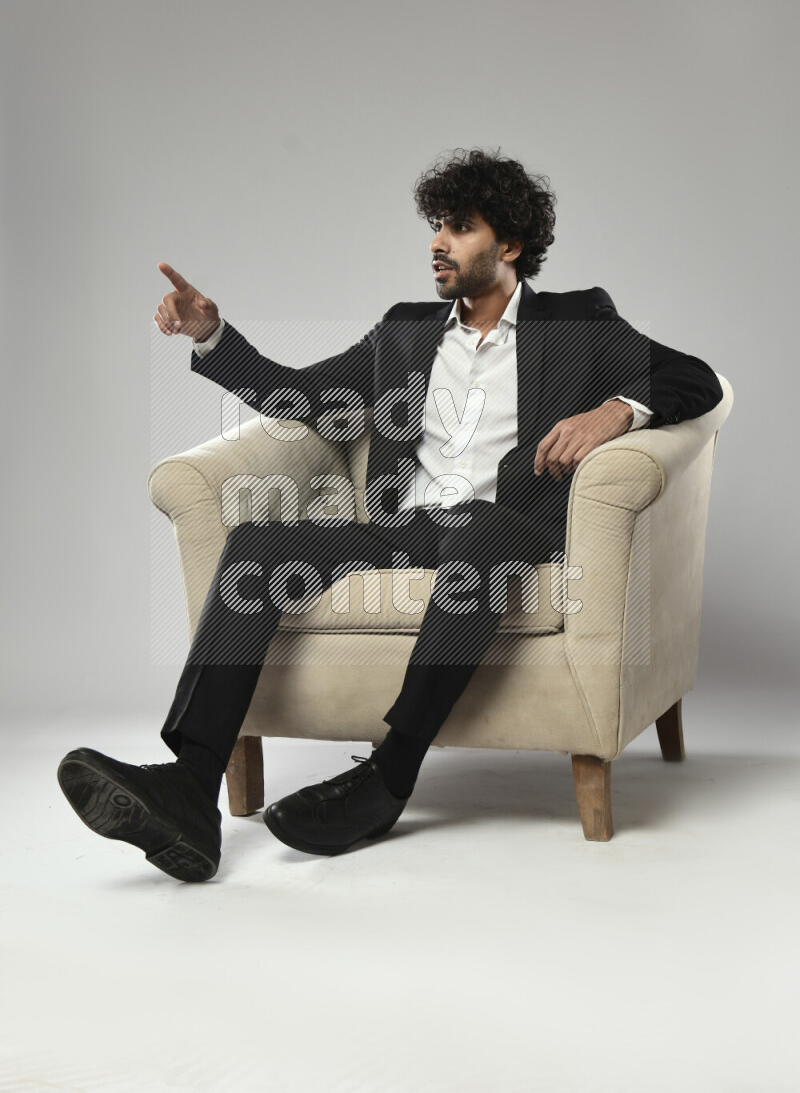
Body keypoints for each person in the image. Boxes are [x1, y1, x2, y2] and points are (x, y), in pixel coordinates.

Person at [57, 147, 723, 881]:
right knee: (256, 544)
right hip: (406, 530)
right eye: (436, 224)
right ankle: (189, 786)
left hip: (511, 528)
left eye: (460, 227)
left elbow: (694, 377)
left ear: (508, 246)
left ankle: (388, 776)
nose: (438, 241)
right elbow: (302, 399)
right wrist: (212, 336)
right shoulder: (404, 332)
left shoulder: (576, 320)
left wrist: (614, 411)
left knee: (476, 527)